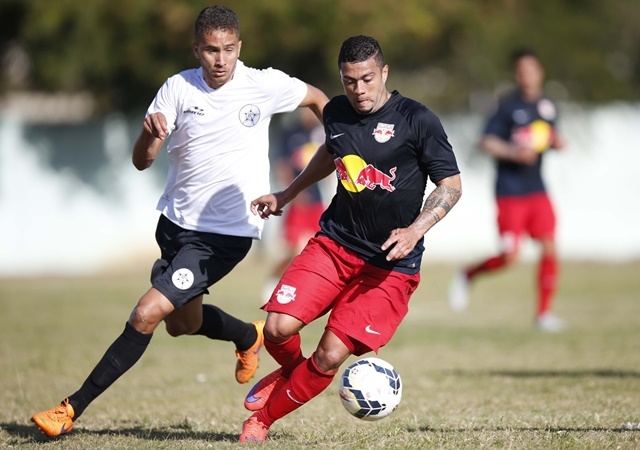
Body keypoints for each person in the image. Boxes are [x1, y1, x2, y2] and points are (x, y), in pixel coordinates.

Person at [30, 5, 329, 438]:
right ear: (196, 49)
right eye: (211, 50)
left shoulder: (262, 84)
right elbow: (141, 160)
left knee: (146, 314)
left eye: (228, 49)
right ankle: (248, 336)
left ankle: (70, 409)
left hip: (225, 235)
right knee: (181, 324)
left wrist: (343, 140)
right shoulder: (177, 89)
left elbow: (318, 98)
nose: (221, 59)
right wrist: (149, 136)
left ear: (239, 47)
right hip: (175, 226)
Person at [238, 35, 462, 443]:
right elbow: (331, 151)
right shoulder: (337, 113)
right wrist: (286, 194)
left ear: (384, 73)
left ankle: (262, 421)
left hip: (389, 267)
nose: (358, 90)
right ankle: (290, 372)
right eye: (349, 81)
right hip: (335, 244)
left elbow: (451, 185)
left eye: (367, 79)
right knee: (276, 329)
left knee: (328, 355)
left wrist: (416, 230)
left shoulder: (418, 119)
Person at [447, 48, 566, 332]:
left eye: (531, 70)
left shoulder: (548, 106)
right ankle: (468, 274)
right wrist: (513, 152)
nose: (527, 76)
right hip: (510, 191)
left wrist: (556, 142)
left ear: (540, 73)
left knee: (549, 246)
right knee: (510, 256)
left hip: (537, 189)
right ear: (517, 74)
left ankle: (544, 314)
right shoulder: (507, 107)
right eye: (521, 71)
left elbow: (550, 137)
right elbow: (486, 141)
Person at [262, 108, 327, 302]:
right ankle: (272, 281)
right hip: (299, 201)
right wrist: (292, 193)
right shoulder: (290, 134)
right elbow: (282, 166)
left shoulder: (320, 133)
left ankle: (307, 290)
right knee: (293, 250)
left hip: (317, 201)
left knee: (319, 248)